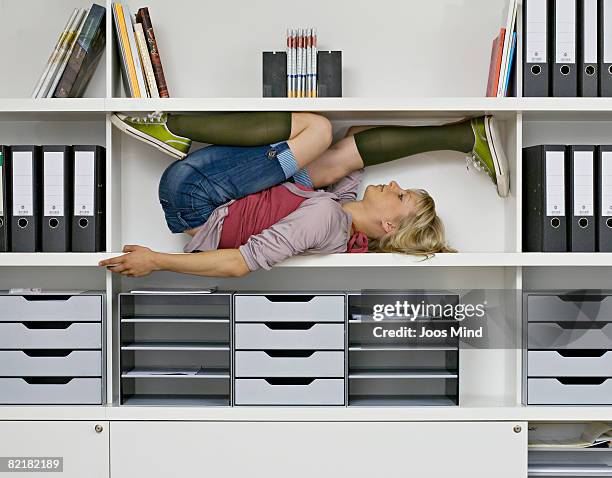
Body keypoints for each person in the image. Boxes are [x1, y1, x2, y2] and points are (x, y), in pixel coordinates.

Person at [101, 112, 508, 277]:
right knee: (336, 156)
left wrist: (155, 260)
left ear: (387, 224)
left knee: (317, 131)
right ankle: (464, 137)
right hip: (211, 194)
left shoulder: (324, 220)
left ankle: (175, 126)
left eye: (402, 197)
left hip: (197, 195)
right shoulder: (342, 213)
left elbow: (240, 264)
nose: (396, 185)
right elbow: (358, 142)